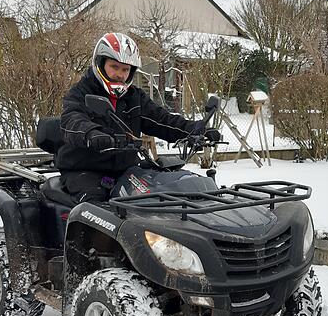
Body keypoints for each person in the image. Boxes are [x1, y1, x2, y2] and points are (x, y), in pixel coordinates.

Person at [58, 32, 220, 203]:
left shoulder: (134, 97)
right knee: (96, 208)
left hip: (126, 169)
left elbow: (161, 120)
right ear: (100, 63)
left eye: (125, 69)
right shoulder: (81, 93)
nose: (120, 74)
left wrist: (195, 129)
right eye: (115, 67)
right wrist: (92, 133)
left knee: (161, 196)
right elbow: (72, 119)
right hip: (86, 170)